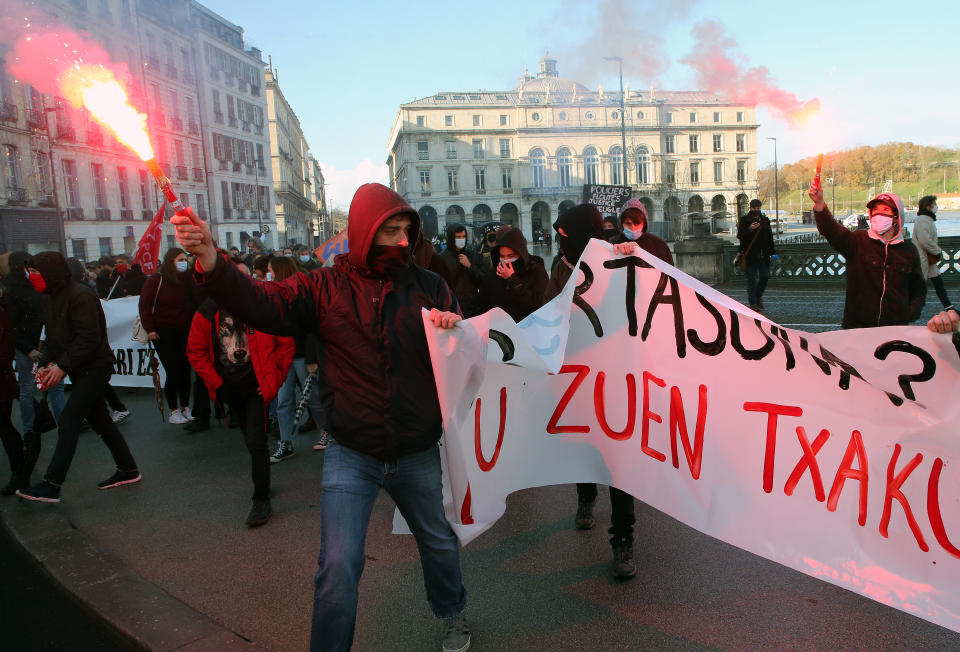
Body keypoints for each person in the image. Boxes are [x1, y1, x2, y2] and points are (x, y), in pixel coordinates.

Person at [172, 182, 470, 652]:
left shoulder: (430, 286)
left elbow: (464, 352)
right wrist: (211, 258)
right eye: (389, 231)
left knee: (437, 544)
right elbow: (260, 302)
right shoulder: (323, 287)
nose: (401, 242)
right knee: (337, 567)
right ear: (363, 232)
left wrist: (456, 330)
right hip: (351, 452)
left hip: (416, 450)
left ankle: (452, 614)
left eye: (406, 231)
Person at [16, 252, 140, 504]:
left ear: (51, 273)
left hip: (94, 367)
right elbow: (54, 338)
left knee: (70, 420)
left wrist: (61, 366)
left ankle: (52, 484)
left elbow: (88, 337)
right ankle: (128, 469)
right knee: (102, 422)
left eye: (37, 273)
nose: (33, 278)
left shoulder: (80, 295)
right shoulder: (51, 297)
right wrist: (44, 363)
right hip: (80, 367)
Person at [187, 257, 294, 526]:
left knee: (257, 441)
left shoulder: (262, 304)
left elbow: (286, 344)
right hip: (228, 390)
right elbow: (195, 351)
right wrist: (216, 383)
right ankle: (264, 484)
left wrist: (274, 379)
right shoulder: (207, 311)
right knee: (250, 440)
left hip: (256, 390)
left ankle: (261, 499)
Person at [810, 184, 925, 328]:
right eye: (875, 210)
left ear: (896, 217)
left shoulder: (909, 250)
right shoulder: (858, 241)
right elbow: (832, 230)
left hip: (895, 329)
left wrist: (910, 313)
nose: (879, 214)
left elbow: (919, 288)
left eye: (885, 209)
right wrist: (819, 204)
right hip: (857, 329)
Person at [2, 251, 65, 459]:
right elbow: (11, 325)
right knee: (28, 388)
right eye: (28, 268)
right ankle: (29, 429)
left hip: (47, 343)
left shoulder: (38, 286)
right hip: (26, 348)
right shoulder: (10, 290)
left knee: (55, 383)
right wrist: (28, 349)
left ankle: (64, 422)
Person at [140, 248, 194, 424]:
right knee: (173, 370)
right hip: (163, 332)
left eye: (185, 259)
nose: (183, 263)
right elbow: (145, 305)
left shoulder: (187, 279)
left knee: (185, 369)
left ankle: (186, 406)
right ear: (171, 261)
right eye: (180, 259)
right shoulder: (157, 280)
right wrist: (150, 329)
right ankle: (173, 410)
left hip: (185, 330)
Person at [268, 255, 312, 463]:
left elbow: (311, 326)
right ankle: (286, 441)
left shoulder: (300, 292)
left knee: (315, 399)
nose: (268, 274)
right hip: (284, 357)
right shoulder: (272, 294)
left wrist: (312, 355)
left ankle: (330, 436)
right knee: (284, 401)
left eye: (271, 270)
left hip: (302, 354)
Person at [477, 226, 547, 322]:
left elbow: (538, 306)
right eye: (502, 256)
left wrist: (513, 280)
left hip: (527, 330)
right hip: (500, 332)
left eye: (511, 256)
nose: (506, 261)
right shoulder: (493, 274)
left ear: (521, 253)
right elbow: (481, 306)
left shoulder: (536, 271)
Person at [0, 292, 24, 496]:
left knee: (4, 428)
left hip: (2, 382)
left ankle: (20, 472)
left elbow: (5, 353)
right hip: (3, 381)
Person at [913, 195, 953, 311]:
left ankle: (948, 306)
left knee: (938, 283)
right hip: (923, 258)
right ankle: (911, 307)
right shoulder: (922, 220)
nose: (936, 207)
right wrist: (938, 251)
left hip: (928, 258)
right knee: (919, 285)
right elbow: (925, 240)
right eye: (934, 204)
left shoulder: (925, 219)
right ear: (928, 206)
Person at [736, 199, 777, 311]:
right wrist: (750, 229)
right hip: (749, 255)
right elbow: (740, 236)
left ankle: (758, 296)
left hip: (763, 254)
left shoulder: (765, 220)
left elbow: (769, 237)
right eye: (754, 208)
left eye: (758, 208)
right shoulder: (744, 220)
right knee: (751, 279)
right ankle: (753, 303)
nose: (756, 210)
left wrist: (773, 252)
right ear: (750, 208)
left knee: (765, 276)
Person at [439, 223, 484, 317]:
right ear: (451, 238)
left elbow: (482, 280)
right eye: (458, 237)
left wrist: (470, 266)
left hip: (473, 308)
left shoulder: (472, 255)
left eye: (463, 236)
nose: (461, 239)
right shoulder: (441, 259)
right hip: (452, 309)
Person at [612, 199, 673, 264]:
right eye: (628, 224)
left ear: (644, 224)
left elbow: (669, 271)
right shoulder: (613, 244)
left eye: (637, 223)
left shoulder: (659, 245)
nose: (633, 228)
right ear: (621, 224)